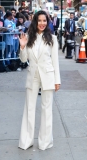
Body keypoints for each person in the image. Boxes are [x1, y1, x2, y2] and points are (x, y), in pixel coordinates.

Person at [18, 10, 61, 150]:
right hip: (33, 75)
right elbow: (24, 59)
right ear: (35, 21)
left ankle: (45, 142)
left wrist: (57, 80)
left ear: (47, 22)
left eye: (44, 21)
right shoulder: (29, 37)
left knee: (46, 109)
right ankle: (26, 141)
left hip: (48, 75)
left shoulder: (52, 38)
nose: (42, 23)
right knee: (29, 108)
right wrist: (22, 46)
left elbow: (55, 61)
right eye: (40, 20)